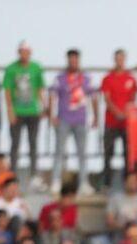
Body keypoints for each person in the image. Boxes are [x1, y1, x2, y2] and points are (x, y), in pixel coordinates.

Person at [49, 49, 97, 193]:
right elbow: (52, 95)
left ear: (79, 60)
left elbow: (94, 97)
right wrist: (52, 115)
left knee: (82, 153)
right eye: (71, 59)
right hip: (63, 119)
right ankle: (56, 181)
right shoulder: (60, 78)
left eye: (75, 59)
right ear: (68, 60)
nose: (73, 62)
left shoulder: (86, 78)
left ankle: (84, 183)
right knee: (59, 151)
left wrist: (95, 116)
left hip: (81, 120)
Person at [2, 41, 45, 187]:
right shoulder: (11, 69)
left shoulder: (36, 68)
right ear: (19, 52)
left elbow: (40, 89)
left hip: (33, 111)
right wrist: (10, 110)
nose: (24, 54)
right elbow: (7, 90)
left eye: (27, 52)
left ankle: (34, 174)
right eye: (22, 52)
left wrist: (43, 107)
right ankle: (13, 173)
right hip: (17, 111)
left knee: (33, 143)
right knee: (15, 143)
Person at [100, 49, 137, 187]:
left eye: (122, 58)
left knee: (128, 153)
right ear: (114, 60)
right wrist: (117, 113)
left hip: (127, 123)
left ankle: (127, 181)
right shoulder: (107, 78)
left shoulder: (131, 79)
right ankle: (106, 183)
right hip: (111, 122)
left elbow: (133, 98)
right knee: (108, 153)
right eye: (118, 59)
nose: (120, 61)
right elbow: (107, 99)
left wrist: (126, 113)